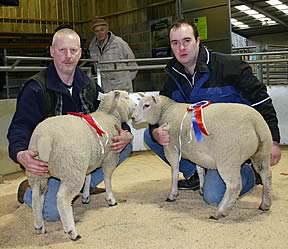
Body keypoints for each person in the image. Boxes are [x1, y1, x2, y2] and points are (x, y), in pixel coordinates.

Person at [144, 19, 282, 206]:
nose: (181, 48)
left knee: (214, 196)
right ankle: (194, 173)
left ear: (198, 41)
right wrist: (155, 131)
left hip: (231, 144)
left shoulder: (230, 66)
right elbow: (159, 109)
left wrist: (272, 140)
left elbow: (261, 100)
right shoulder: (173, 76)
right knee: (150, 135)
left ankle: (249, 172)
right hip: (204, 146)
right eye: (175, 43)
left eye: (186, 41)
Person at [7, 28, 134, 221]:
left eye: (73, 50)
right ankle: (30, 189)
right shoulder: (35, 88)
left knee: (122, 146)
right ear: (51, 51)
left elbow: (109, 113)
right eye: (62, 50)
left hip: (77, 158)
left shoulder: (88, 85)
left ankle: (81, 183)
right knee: (50, 212)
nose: (68, 56)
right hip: (51, 159)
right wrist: (20, 153)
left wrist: (126, 132)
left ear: (80, 53)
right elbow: (20, 126)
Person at [89, 16, 138, 93]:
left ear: (107, 29)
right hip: (105, 89)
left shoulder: (119, 43)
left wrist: (125, 81)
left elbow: (133, 65)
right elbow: (96, 67)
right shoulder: (92, 47)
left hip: (122, 89)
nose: (100, 33)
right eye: (96, 31)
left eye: (102, 30)